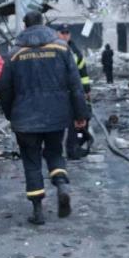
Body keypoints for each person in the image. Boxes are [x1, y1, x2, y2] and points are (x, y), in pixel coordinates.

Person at [0, 11, 89, 225]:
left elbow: (4, 89)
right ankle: (61, 184)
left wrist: (10, 114)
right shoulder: (61, 48)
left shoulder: (14, 53)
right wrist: (80, 114)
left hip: (25, 119)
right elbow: (75, 85)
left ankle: (38, 210)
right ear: (42, 24)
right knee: (55, 152)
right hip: (57, 116)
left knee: (31, 161)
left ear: (25, 26)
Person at [56, 24, 92, 160]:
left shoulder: (75, 51)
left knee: (77, 119)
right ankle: (55, 150)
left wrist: (87, 90)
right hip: (58, 91)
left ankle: (73, 147)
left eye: (67, 33)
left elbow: (83, 72)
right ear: (57, 34)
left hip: (72, 91)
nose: (65, 35)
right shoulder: (53, 49)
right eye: (62, 32)